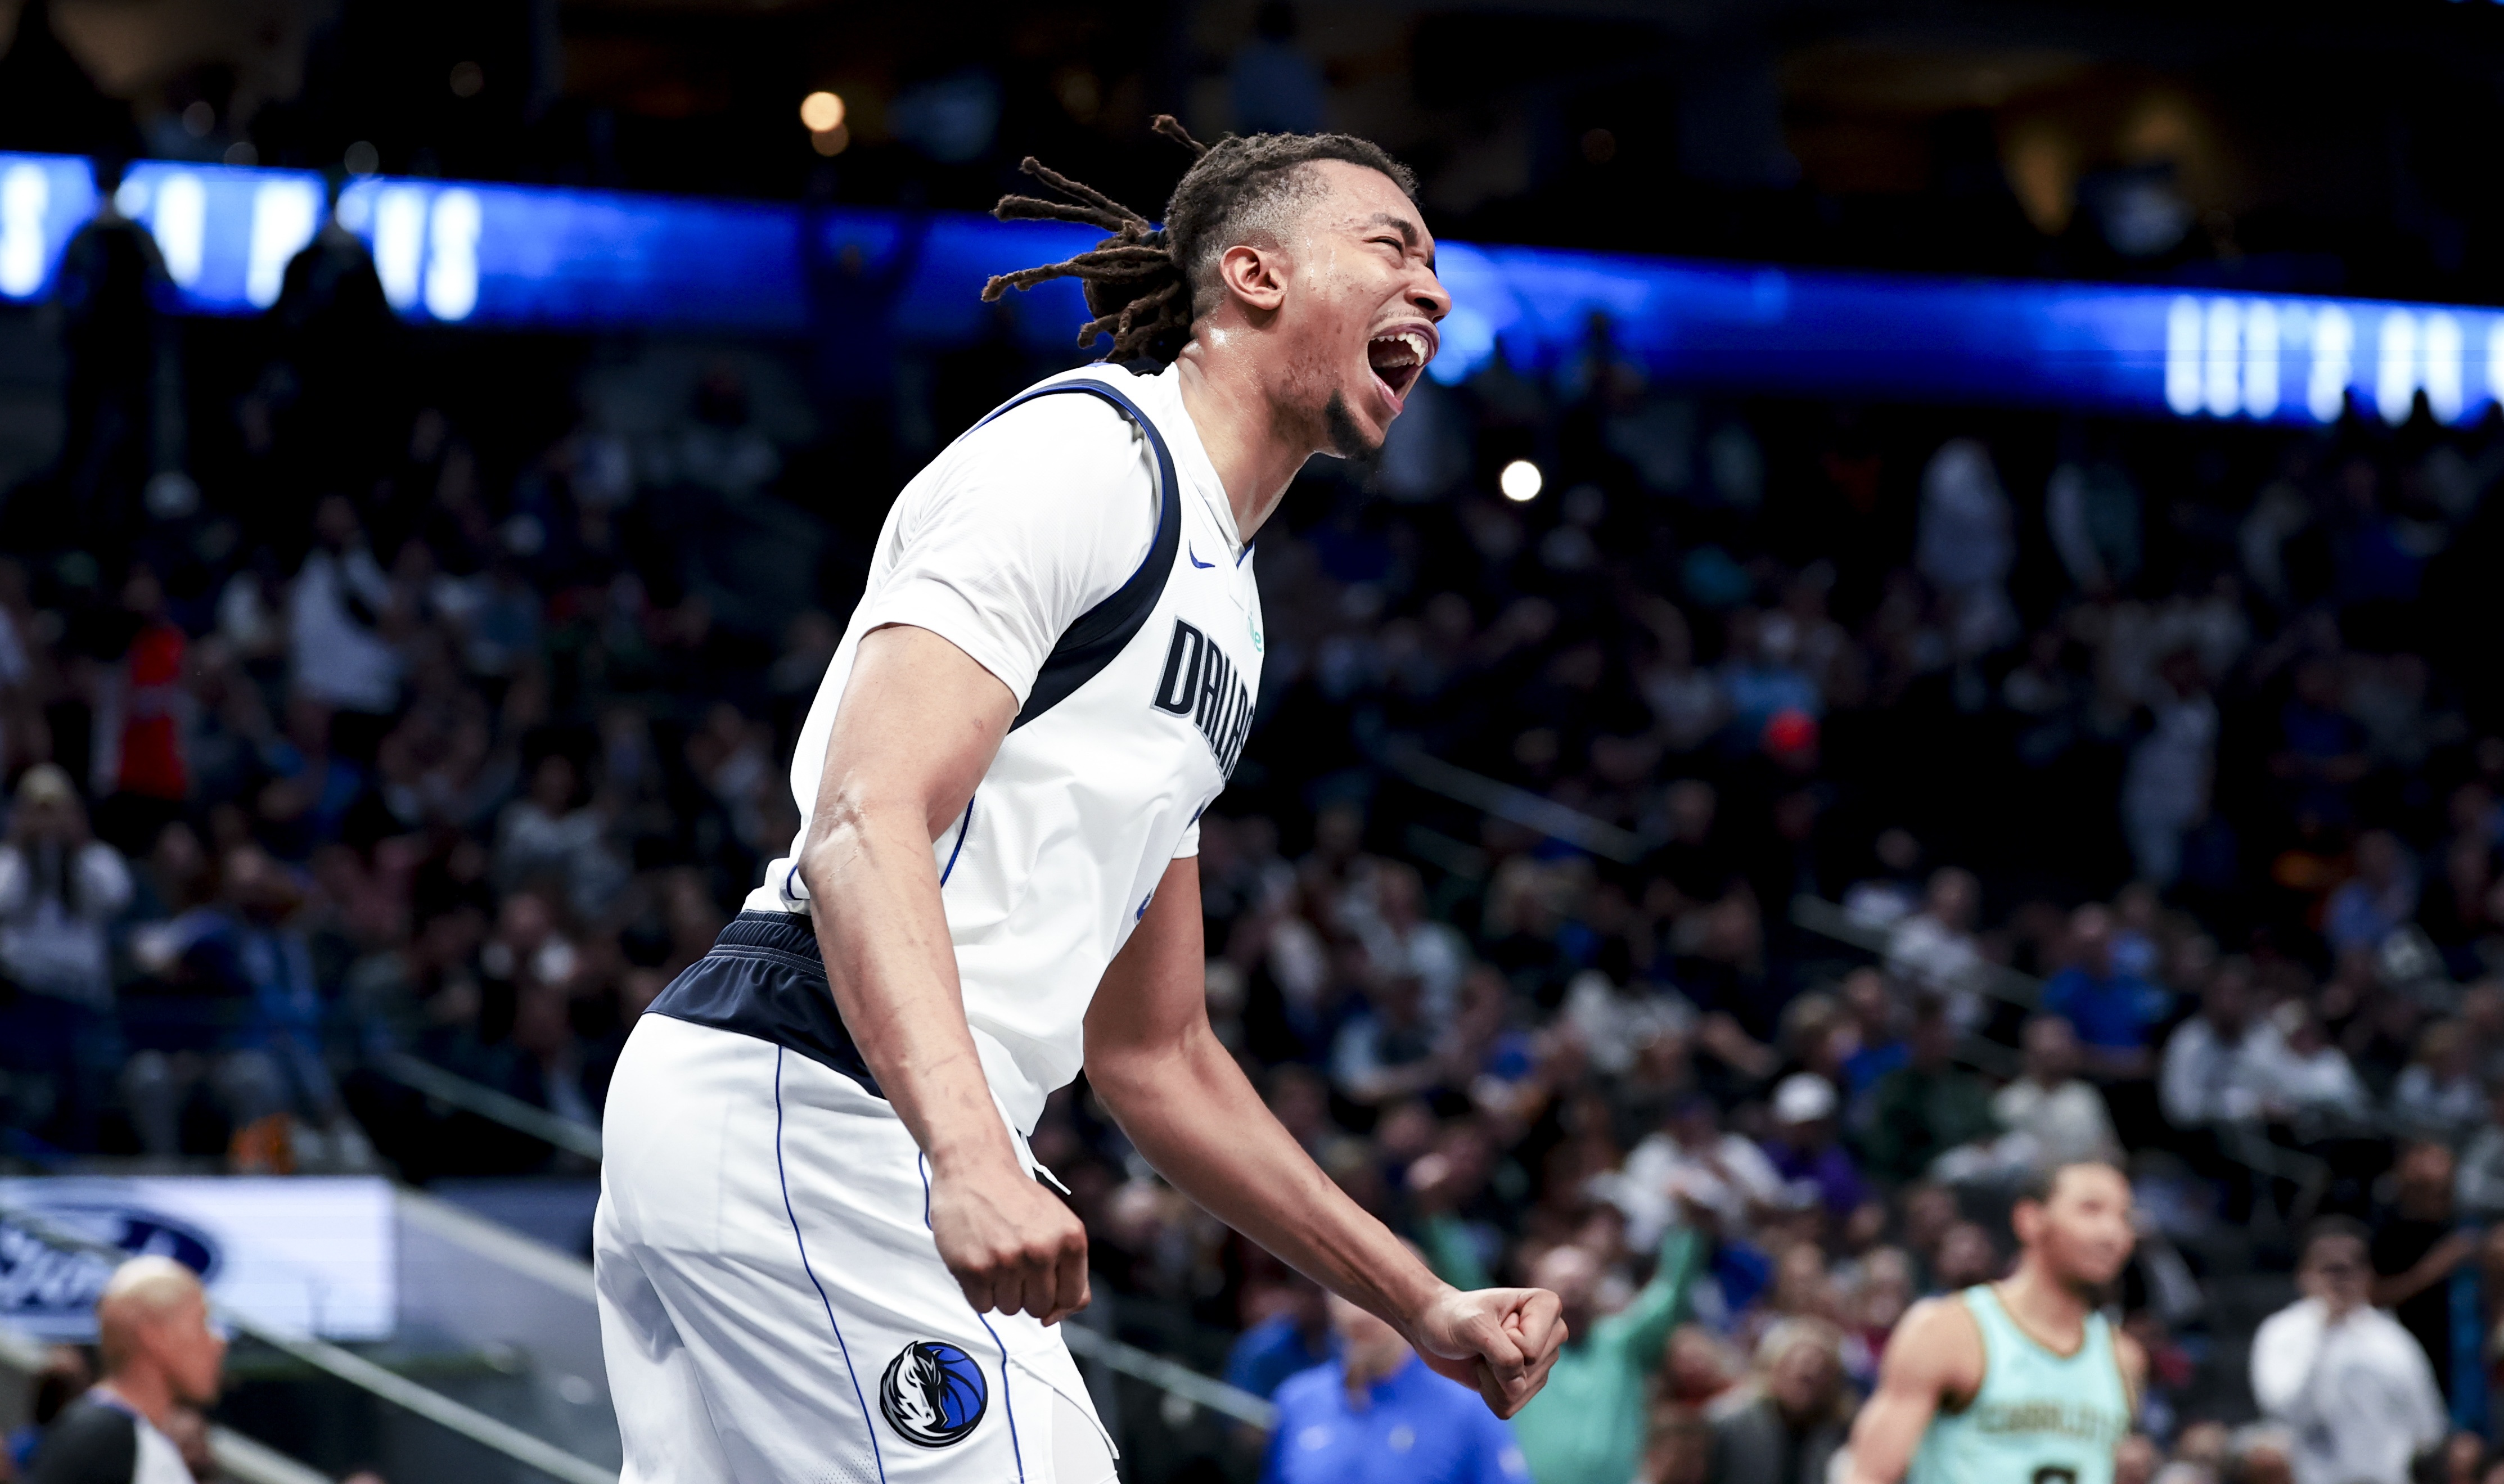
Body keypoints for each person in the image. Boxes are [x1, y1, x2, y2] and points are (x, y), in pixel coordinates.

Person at [593, 120, 1562, 1484]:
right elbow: (866, 816)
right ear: (1255, 273)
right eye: (1391, 246)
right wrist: (969, 1153)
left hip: (833, 1120)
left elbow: (1157, 1053)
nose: (1436, 291)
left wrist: (1419, 1299)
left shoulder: (1228, 609)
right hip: (826, 1100)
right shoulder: (1088, 457)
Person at [1840, 1160, 2145, 1484]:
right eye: (2091, 1209)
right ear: (2030, 1219)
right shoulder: (1949, 1329)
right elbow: (1867, 1475)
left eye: (2124, 1218)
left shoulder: (2124, 1358)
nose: (2112, 1233)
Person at [2249, 1217, 2446, 1484]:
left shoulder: (2394, 1340)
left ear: (2368, 1275)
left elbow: (2429, 1426)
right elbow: (2283, 1412)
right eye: (2330, 1268)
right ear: (2304, 1274)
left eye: (2351, 1267)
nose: (2340, 1278)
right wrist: (2326, 1330)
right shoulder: (2280, 1332)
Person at [1262, 1292, 1530, 1484]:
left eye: (1379, 1299)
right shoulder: (1296, 1400)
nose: (1360, 1314)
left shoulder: (1465, 1406)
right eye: (1348, 1295)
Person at [1507, 1230, 1705, 1484]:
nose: (1572, 1290)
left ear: (1598, 1286)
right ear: (1533, 1290)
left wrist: (1690, 1232)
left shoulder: (1621, 1343)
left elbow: (1670, 1296)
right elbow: (1468, 1304)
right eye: (1562, 1282)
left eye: (1581, 1281)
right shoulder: (1517, 1349)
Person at [26, 1257, 226, 1484]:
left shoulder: (131, 1438)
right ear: (155, 1335)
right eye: (201, 1323)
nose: (218, 1342)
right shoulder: (102, 1437)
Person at [1700, 1318, 1852, 1484]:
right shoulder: (1729, 1424)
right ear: (1773, 1368)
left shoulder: (1841, 1434)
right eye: (1799, 1375)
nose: (1811, 1373)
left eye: (1821, 1372)